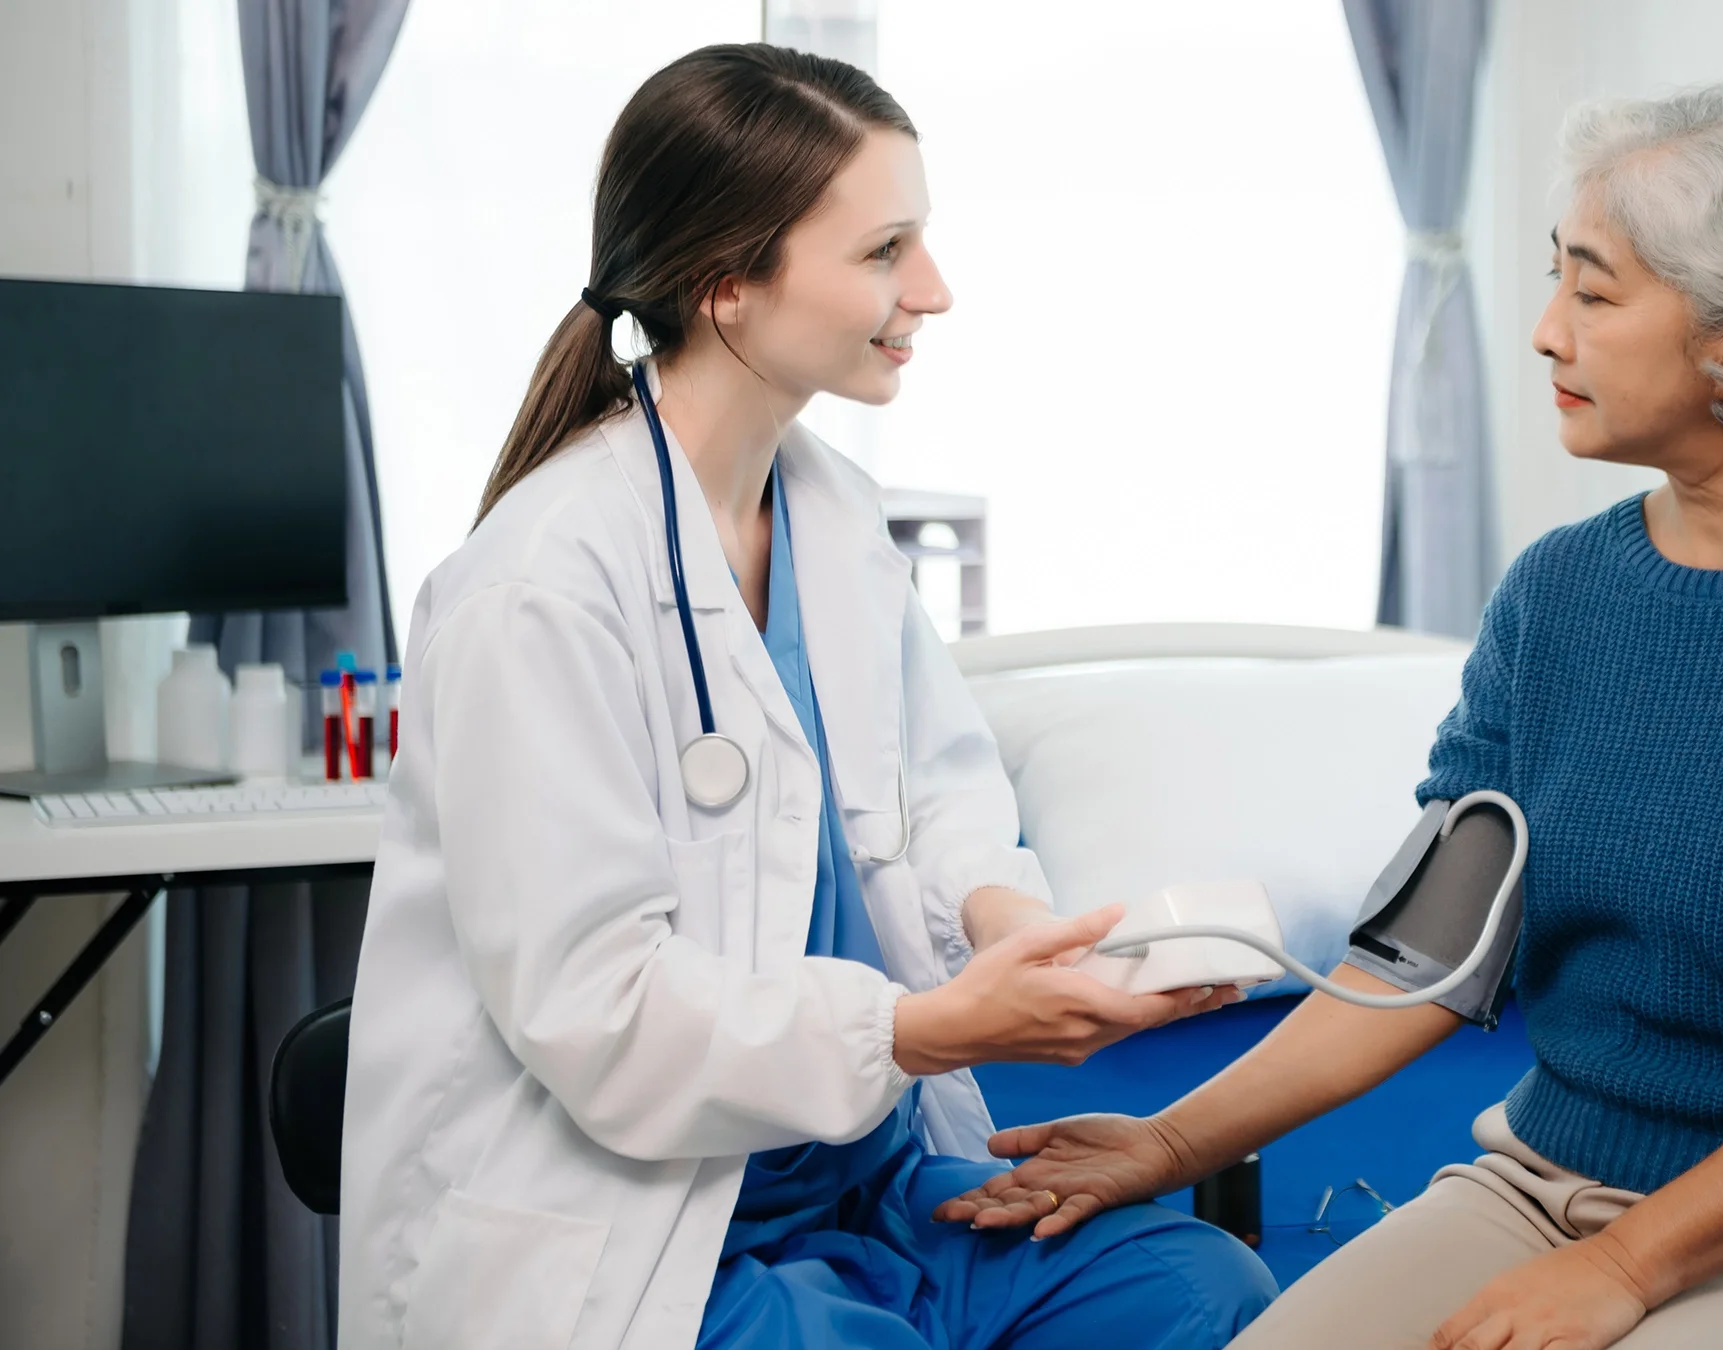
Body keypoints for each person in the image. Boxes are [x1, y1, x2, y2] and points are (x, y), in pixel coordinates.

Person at [939, 83, 1723, 1350]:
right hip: (1540, 1188)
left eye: (1593, 291)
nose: (1545, 331)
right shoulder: (1560, 592)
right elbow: (1428, 955)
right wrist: (1169, 1139)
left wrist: (1628, 1271)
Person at [338, 45, 1273, 1350]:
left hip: (866, 1179)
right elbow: (597, 1006)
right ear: (729, 287)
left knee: (1198, 1289)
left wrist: (1028, 934)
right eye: (887, 250)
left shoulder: (833, 521)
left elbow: (936, 801)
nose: (932, 290)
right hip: (647, 1228)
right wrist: (923, 1024)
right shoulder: (538, 588)